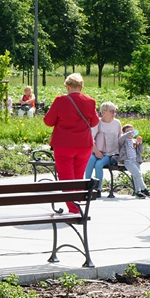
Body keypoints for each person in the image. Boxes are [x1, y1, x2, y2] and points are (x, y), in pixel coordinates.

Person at [43, 73, 100, 213]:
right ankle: (77, 205)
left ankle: (74, 209)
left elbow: (48, 121)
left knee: (66, 178)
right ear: (81, 87)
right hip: (84, 145)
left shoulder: (60, 100)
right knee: (78, 175)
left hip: (63, 145)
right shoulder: (90, 101)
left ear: (67, 86)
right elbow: (94, 122)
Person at [84, 102, 122, 198]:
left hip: (112, 154)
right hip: (97, 151)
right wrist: (96, 151)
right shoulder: (98, 123)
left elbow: (120, 137)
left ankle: (98, 189)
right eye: (112, 111)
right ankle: (86, 187)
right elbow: (90, 138)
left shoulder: (117, 123)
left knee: (99, 164)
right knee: (90, 160)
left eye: (115, 111)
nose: (114, 113)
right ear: (104, 112)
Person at [114, 124, 150, 198]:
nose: (131, 133)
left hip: (136, 161)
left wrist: (140, 143)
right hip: (128, 161)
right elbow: (120, 139)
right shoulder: (124, 141)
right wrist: (128, 133)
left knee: (136, 175)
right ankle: (144, 189)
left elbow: (139, 151)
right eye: (128, 131)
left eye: (132, 131)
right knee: (138, 174)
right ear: (124, 133)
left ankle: (137, 191)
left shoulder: (134, 141)